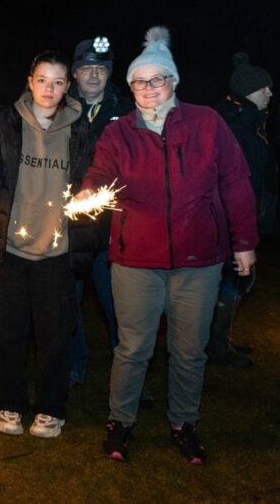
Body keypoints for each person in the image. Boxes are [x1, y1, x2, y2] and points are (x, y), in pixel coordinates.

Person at [81, 27, 258, 463]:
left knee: (188, 350)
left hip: (198, 260)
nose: (147, 89)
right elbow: (100, 172)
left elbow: (235, 181)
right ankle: (120, 423)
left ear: (173, 82)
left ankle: (184, 423)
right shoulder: (120, 130)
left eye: (156, 80)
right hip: (136, 258)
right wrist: (89, 193)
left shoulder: (206, 123)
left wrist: (245, 241)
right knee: (133, 347)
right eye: (139, 81)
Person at [0, 51, 95, 438]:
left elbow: (93, 178)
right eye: (42, 80)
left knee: (54, 335)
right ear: (29, 80)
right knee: (7, 331)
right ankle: (9, 404)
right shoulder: (5, 123)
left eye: (57, 82)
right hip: (12, 249)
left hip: (57, 250)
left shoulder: (81, 129)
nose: (49, 89)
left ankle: (51, 408)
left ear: (67, 86)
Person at [67, 36, 134, 386]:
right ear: (75, 74)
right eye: (86, 68)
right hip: (74, 225)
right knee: (70, 302)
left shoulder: (126, 110)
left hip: (114, 227)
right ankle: (75, 364)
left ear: (109, 74)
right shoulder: (59, 108)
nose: (94, 76)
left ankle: (128, 373)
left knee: (117, 304)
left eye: (101, 69)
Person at [209, 53, 275, 368]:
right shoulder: (235, 125)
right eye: (265, 88)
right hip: (229, 222)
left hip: (243, 220)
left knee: (237, 281)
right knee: (234, 279)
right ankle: (216, 346)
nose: (270, 93)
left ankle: (220, 340)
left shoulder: (251, 122)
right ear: (249, 90)